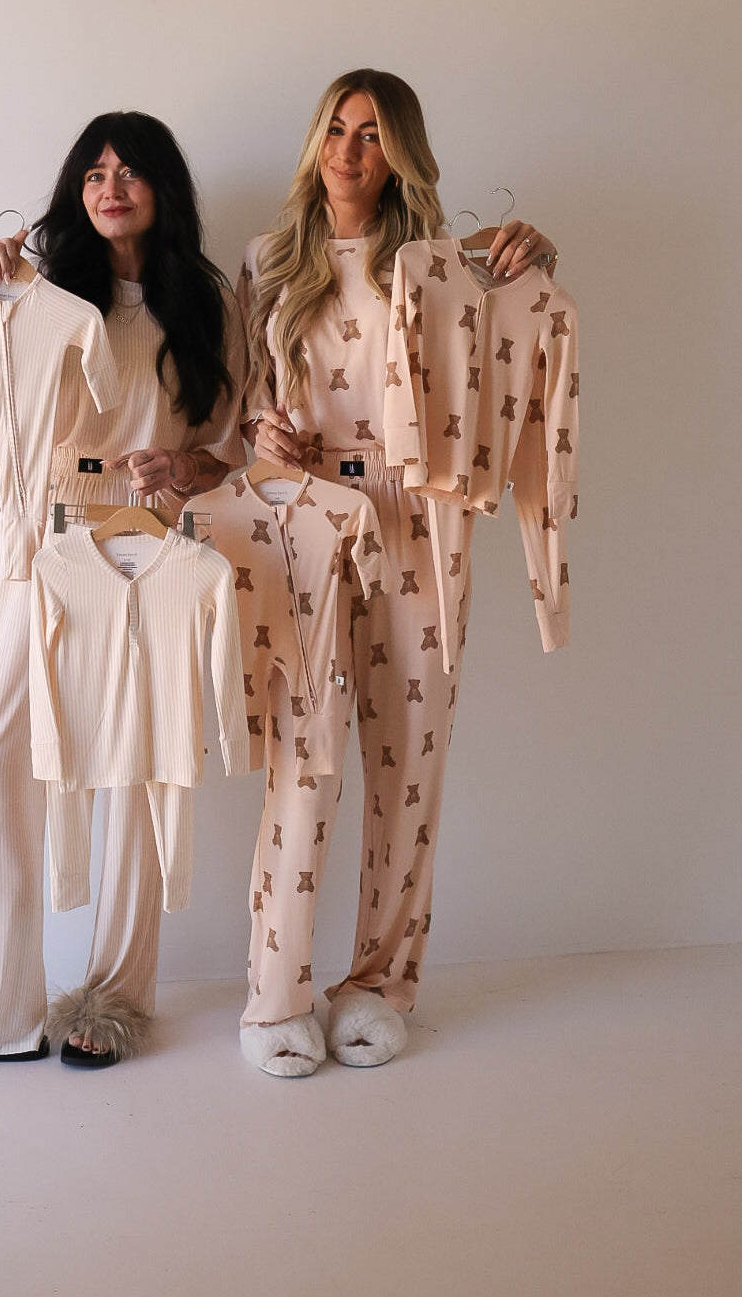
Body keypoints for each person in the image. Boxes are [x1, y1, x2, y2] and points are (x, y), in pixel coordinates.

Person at [0, 111, 245, 1067]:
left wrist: (181, 468)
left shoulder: (204, 305)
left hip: (146, 546)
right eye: (93, 173)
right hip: (37, 545)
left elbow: (229, 448)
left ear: (163, 187)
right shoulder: (38, 292)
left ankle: (116, 998)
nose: (109, 188)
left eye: (129, 171)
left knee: (132, 769)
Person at [236, 68, 558, 1076]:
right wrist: (262, 434)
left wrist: (533, 255)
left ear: (402, 153)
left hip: (421, 517)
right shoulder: (266, 263)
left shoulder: (444, 266)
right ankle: (276, 996)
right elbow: (238, 410)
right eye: (336, 129)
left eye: (372, 134)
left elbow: (518, 333)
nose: (348, 150)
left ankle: (379, 985)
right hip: (305, 519)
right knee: (304, 760)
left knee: (410, 763)